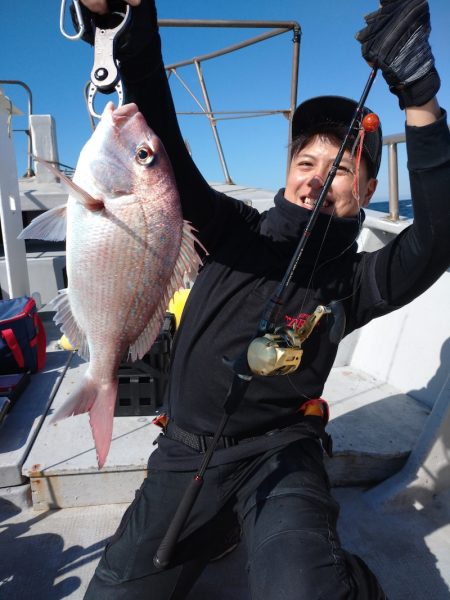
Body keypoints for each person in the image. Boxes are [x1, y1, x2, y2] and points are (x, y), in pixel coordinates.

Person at [75, 0, 450, 598]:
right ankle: (218, 526)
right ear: (286, 171)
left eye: (342, 169)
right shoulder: (230, 229)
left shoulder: (356, 281)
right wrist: (129, 17)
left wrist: (422, 99)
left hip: (285, 456)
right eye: (306, 162)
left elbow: (436, 239)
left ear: (370, 190)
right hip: (183, 454)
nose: (318, 178)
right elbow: (161, 135)